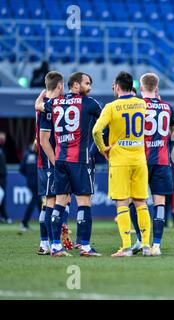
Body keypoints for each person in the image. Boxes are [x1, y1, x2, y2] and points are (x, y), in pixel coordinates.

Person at [36, 71, 102, 257]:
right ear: (75, 84)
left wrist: (40, 98)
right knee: (84, 202)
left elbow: (40, 106)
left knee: (60, 202)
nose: (89, 87)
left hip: (60, 160)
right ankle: (85, 246)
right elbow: (106, 120)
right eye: (86, 83)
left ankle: (55, 246)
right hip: (79, 160)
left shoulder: (55, 103)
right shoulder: (89, 103)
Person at [93, 71, 152, 257]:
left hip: (119, 161)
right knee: (141, 202)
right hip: (139, 160)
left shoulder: (111, 107)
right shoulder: (142, 104)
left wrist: (103, 149)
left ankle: (126, 247)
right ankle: (146, 246)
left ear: (117, 86)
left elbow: (96, 131)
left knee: (122, 203)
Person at [140, 72, 174, 256]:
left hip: (140, 160)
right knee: (159, 203)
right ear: (157, 88)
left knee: (137, 201)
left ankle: (141, 241)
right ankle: (156, 245)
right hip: (162, 160)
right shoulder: (167, 107)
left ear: (141, 87)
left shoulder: (137, 105)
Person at [19, 142, 42, 231]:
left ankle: (43, 222)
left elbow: (21, 169)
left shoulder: (27, 155)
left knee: (38, 202)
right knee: (34, 200)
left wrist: (29, 176)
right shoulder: (38, 155)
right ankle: (24, 222)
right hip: (37, 182)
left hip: (30, 182)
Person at [0, 132, 11, 224]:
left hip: (2, 178)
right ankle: (4, 217)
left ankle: (4, 217)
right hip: (1, 178)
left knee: (2, 198)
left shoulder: (3, 149)